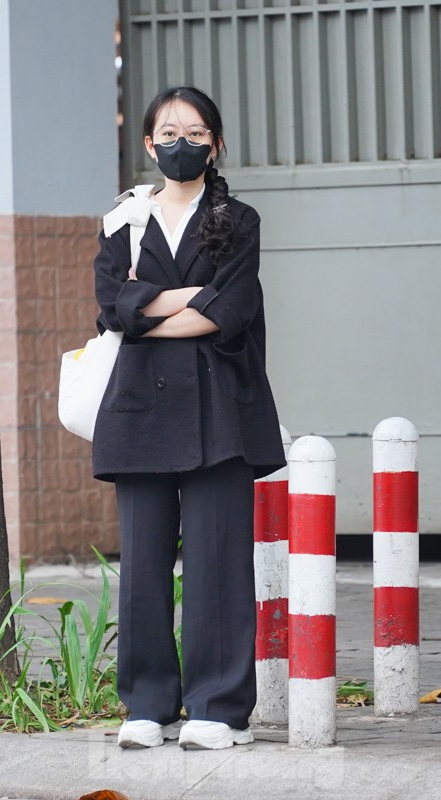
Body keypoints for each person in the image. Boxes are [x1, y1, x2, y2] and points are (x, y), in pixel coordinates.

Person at [92, 86, 285, 750]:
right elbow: (111, 309)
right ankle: (146, 704)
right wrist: (171, 306)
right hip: (140, 414)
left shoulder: (239, 218)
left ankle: (218, 708)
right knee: (143, 566)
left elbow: (226, 311)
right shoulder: (123, 220)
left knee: (218, 564)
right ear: (148, 144)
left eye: (196, 133)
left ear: (217, 144)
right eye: (169, 132)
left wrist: (149, 310)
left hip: (219, 415)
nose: (183, 142)